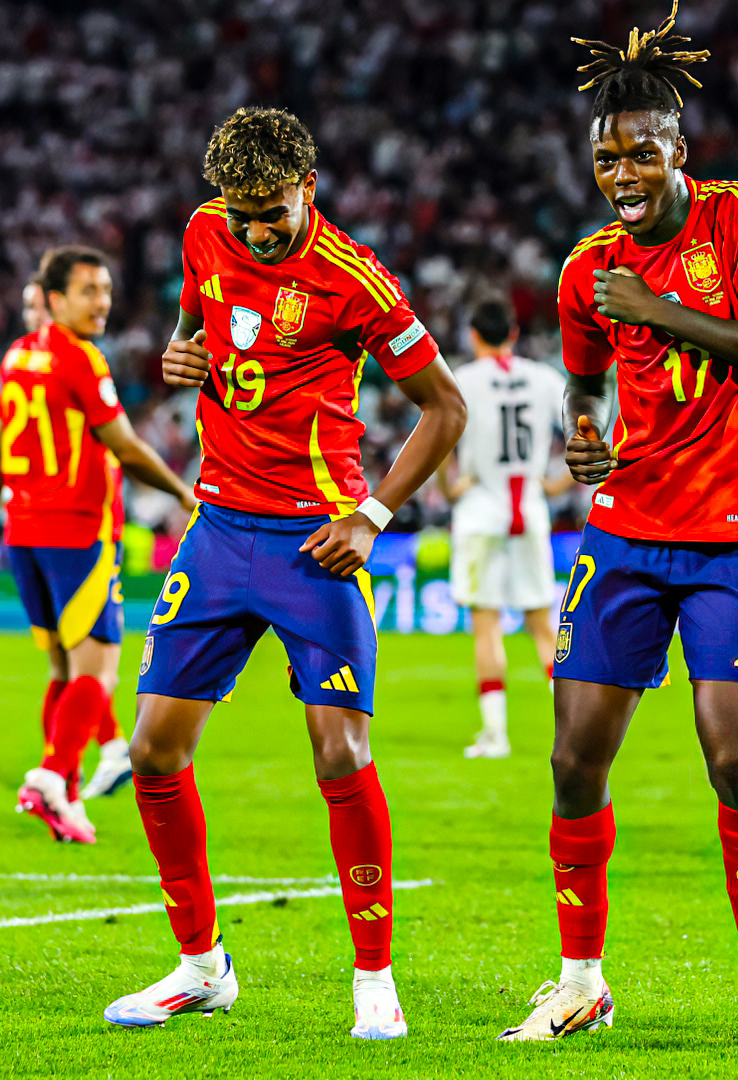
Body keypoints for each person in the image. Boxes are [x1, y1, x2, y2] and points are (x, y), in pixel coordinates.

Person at [103, 106, 465, 1036]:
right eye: (242, 212)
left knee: (341, 753)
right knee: (152, 752)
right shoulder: (205, 231)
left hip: (314, 542)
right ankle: (201, 967)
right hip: (218, 530)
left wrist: (372, 516)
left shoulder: (357, 281)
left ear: (309, 186)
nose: (256, 229)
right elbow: (194, 324)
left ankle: (374, 977)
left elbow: (445, 409)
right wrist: (182, 351)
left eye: (271, 211)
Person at [499, 4, 738, 1046]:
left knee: (733, 761)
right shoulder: (585, 271)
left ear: (679, 150)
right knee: (572, 762)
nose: (624, 173)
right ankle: (580, 981)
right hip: (625, 532)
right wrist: (585, 434)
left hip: (733, 534)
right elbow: (586, 381)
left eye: (642, 152)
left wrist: (663, 311)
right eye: (608, 157)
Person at [0, 246, 195, 843]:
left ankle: (64, 797)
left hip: (23, 531)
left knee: (64, 669)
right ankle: (52, 776)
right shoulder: (80, 358)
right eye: (89, 291)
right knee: (101, 670)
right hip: (77, 530)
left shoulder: (18, 356)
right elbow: (125, 446)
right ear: (56, 299)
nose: (102, 303)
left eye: (107, 290)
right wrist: (184, 494)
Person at [19, 269, 135, 800]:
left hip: (66, 527)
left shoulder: (47, 363)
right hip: (63, 529)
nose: (34, 319)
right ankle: (78, 766)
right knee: (85, 663)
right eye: (29, 310)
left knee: (78, 662)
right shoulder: (53, 364)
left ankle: (80, 765)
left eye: (37, 308)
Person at [438, 299, 571, 758]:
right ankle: (573, 730)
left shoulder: (462, 379)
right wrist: (558, 483)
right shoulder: (544, 378)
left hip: (479, 509)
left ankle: (495, 735)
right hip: (530, 508)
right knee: (541, 624)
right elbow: (588, 431)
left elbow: (440, 437)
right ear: (513, 334)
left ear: (473, 335)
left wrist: (449, 488)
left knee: (487, 624)